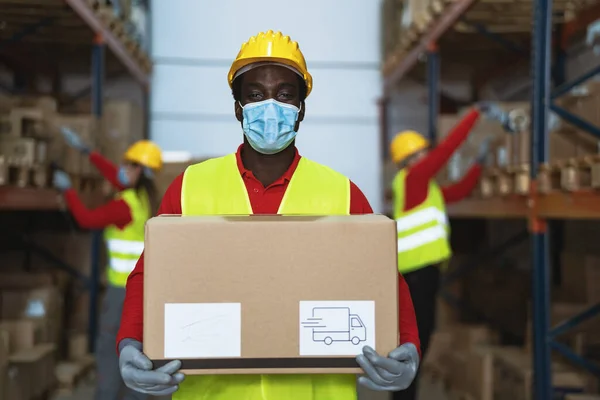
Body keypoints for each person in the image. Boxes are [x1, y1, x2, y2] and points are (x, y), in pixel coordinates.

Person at [116, 30, 421, 400]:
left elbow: (384, 280)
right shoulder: (190, 186)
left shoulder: (342, 192)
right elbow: (150, 274)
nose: (270, 105)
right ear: (238, 107)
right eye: (256, 94)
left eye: (285, 94)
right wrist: (130, 341)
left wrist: (408, 344)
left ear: (302, 109)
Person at [388, 104, 503, 400]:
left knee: (420, 338)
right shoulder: (413, 180)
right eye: (422, 153)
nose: (427, 156)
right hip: (415, 273)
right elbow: (448, 149)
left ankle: (403, 395)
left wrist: (479, 162)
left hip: (423, 273)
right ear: (410, 159)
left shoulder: (427, 189)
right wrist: (476, 115)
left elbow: (461, 190)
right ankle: (403, 396)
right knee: (415, 342)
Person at [52, 131, 163, 400]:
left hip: (121, 293)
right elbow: (116, 176)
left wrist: (67, 189)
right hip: (144, 290)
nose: (123, 169)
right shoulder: (144, 200)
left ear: (140, 171)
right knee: (140, 349)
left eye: (129, 165)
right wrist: (87, 152)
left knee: (110, 348)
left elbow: (86, 219)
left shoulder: (123, 207)